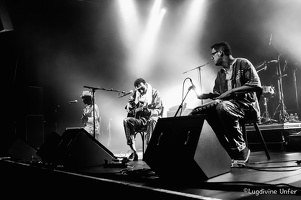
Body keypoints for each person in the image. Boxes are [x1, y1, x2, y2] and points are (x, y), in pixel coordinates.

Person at [189, 41, 262, 164]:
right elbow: (219, 96)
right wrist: (206, 95)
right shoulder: (220, 74)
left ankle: (241, 149)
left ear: (221, 52)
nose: (211, 57)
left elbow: (255, 85)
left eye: (213, 54)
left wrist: (231, 92)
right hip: (227, 107)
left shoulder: (243, 63)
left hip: (246, 107)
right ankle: (228, 150)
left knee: (223, 107)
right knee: (198, 112)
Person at [123, 78, 163, 161]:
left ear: (145, 84)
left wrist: (149, 111)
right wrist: (129, 106)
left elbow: (158, 109)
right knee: (126, 121)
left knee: (151, 121)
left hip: (151, 119)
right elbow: (130, 103)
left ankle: (151, 151)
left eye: (142, 88)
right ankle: (134, 152)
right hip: (140, 120)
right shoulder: (136, 94)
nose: (140, 91)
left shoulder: (154, 93)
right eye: (138, 89)